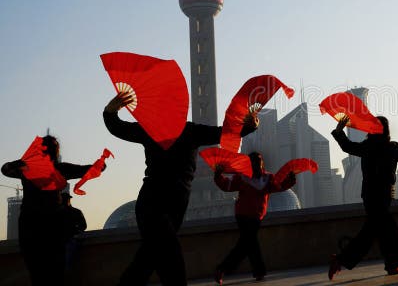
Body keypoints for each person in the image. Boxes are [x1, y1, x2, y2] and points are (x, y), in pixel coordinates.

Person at [104, 91, 258, 286]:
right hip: (152, 205)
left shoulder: (190, 131)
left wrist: (248, 127)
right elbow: (118, 127)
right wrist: (110, 110)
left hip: (174, 207)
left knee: (147, 260)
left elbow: (224, 131)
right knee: (171, 262)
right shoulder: (153, 130)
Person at [327, 115, 398, 280]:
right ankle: (389, 265)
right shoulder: (379, 147)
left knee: (375, 231)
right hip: (375, 197)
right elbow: (347, 146)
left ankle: (344, 260)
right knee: (386, 230)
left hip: (378, 196)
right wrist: (339, 132)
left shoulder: (387, 148)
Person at [1, 135, 94, 286]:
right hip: (53, 225)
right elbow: (85, 170)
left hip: (30, 225)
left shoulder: (27, 168)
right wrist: (100, 165)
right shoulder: (59, 169)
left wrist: (23, 161)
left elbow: (6, 169)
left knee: (37, 272)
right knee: (55, 272)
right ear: (56, 152)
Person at [212, 152, 296, 285]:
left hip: (255, 216)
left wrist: (290, 180)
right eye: (254, 162)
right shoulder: (242, 178)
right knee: (247, 243)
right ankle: (228, 269)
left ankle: (251, 270)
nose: (256, 164)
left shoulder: (268, 178)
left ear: (262, 163)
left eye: (258, 162)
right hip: (243, 215)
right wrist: (218, 176)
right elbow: (227, 185)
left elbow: (279, 186)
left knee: (248, 243)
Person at [61, 192, 87, 271]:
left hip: (71, 240)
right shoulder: (75, 212)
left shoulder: (75, 212)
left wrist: (75, 230)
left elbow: (83, 226)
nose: (66, 201)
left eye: (66, 199)